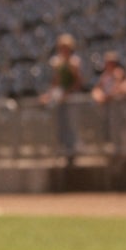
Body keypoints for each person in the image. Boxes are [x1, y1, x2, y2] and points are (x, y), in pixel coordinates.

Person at [43, 33, 85, 161]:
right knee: (61, 123)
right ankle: (63, 149)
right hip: (61, 97)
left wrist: (66, 93)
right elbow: (56, 82)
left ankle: (74, 150)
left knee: (72, 123)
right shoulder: (57, 63)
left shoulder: (74, 62)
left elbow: (78, 82)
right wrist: (50, 94)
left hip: (71, 97)